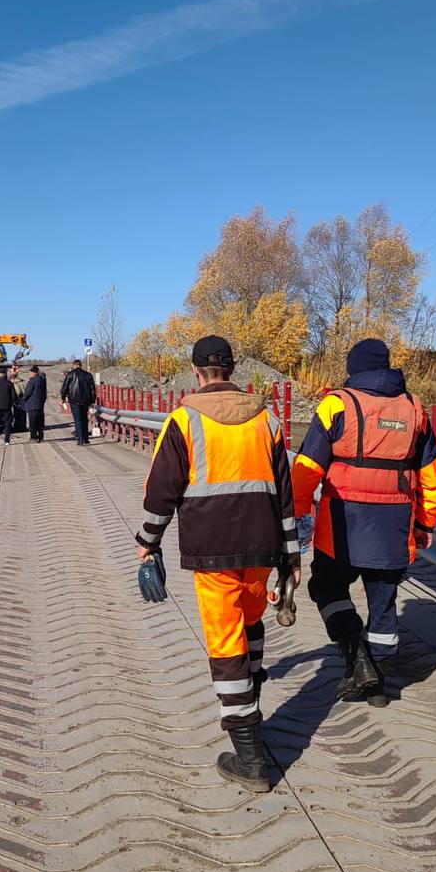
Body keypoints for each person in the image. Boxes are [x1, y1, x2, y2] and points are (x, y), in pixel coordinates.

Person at [135, 336, 300, 791]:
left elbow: (161, 490)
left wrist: (147, 542)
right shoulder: (266, 419)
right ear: (231, 369)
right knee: (251, 624)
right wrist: (292, 555)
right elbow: (285, 492)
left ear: (196, 372)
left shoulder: (184, 419)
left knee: (226, 643)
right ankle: (250, 701)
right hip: (264, 546)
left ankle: (249, 758)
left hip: (212, 548)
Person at [292, 338, 436, 706]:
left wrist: (297, 513)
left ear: (353, 369)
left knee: (327, 589)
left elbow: (306, 469)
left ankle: (356, 658)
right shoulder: (415, 410)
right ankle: (378, 685)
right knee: (383, 602)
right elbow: (434, 477)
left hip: (341, 527)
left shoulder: (338, 405)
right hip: (394, 527)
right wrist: (424, 525)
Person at [60, 359, 96, 446]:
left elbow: (64, 388)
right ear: (81, 365)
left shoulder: (70, 374)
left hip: (74, 400)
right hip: (85, 401)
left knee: (77, 420)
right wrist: (92, 401)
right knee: (84, 419)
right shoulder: (88, 375)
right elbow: (92, 390)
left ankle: (80, 440)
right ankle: (85, 438)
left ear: (74, 365)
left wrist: (63, 397)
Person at [22, 365, 48, 443]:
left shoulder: (32, 381)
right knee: (40, 422)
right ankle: (41, 437)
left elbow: (28, 392)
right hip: (40, 404)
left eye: (30, 372)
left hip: (32, 404)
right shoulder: (42, 380)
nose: (30, 374)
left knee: (32, 422)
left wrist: (24, 398)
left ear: (34, 373)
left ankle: (33, 437)